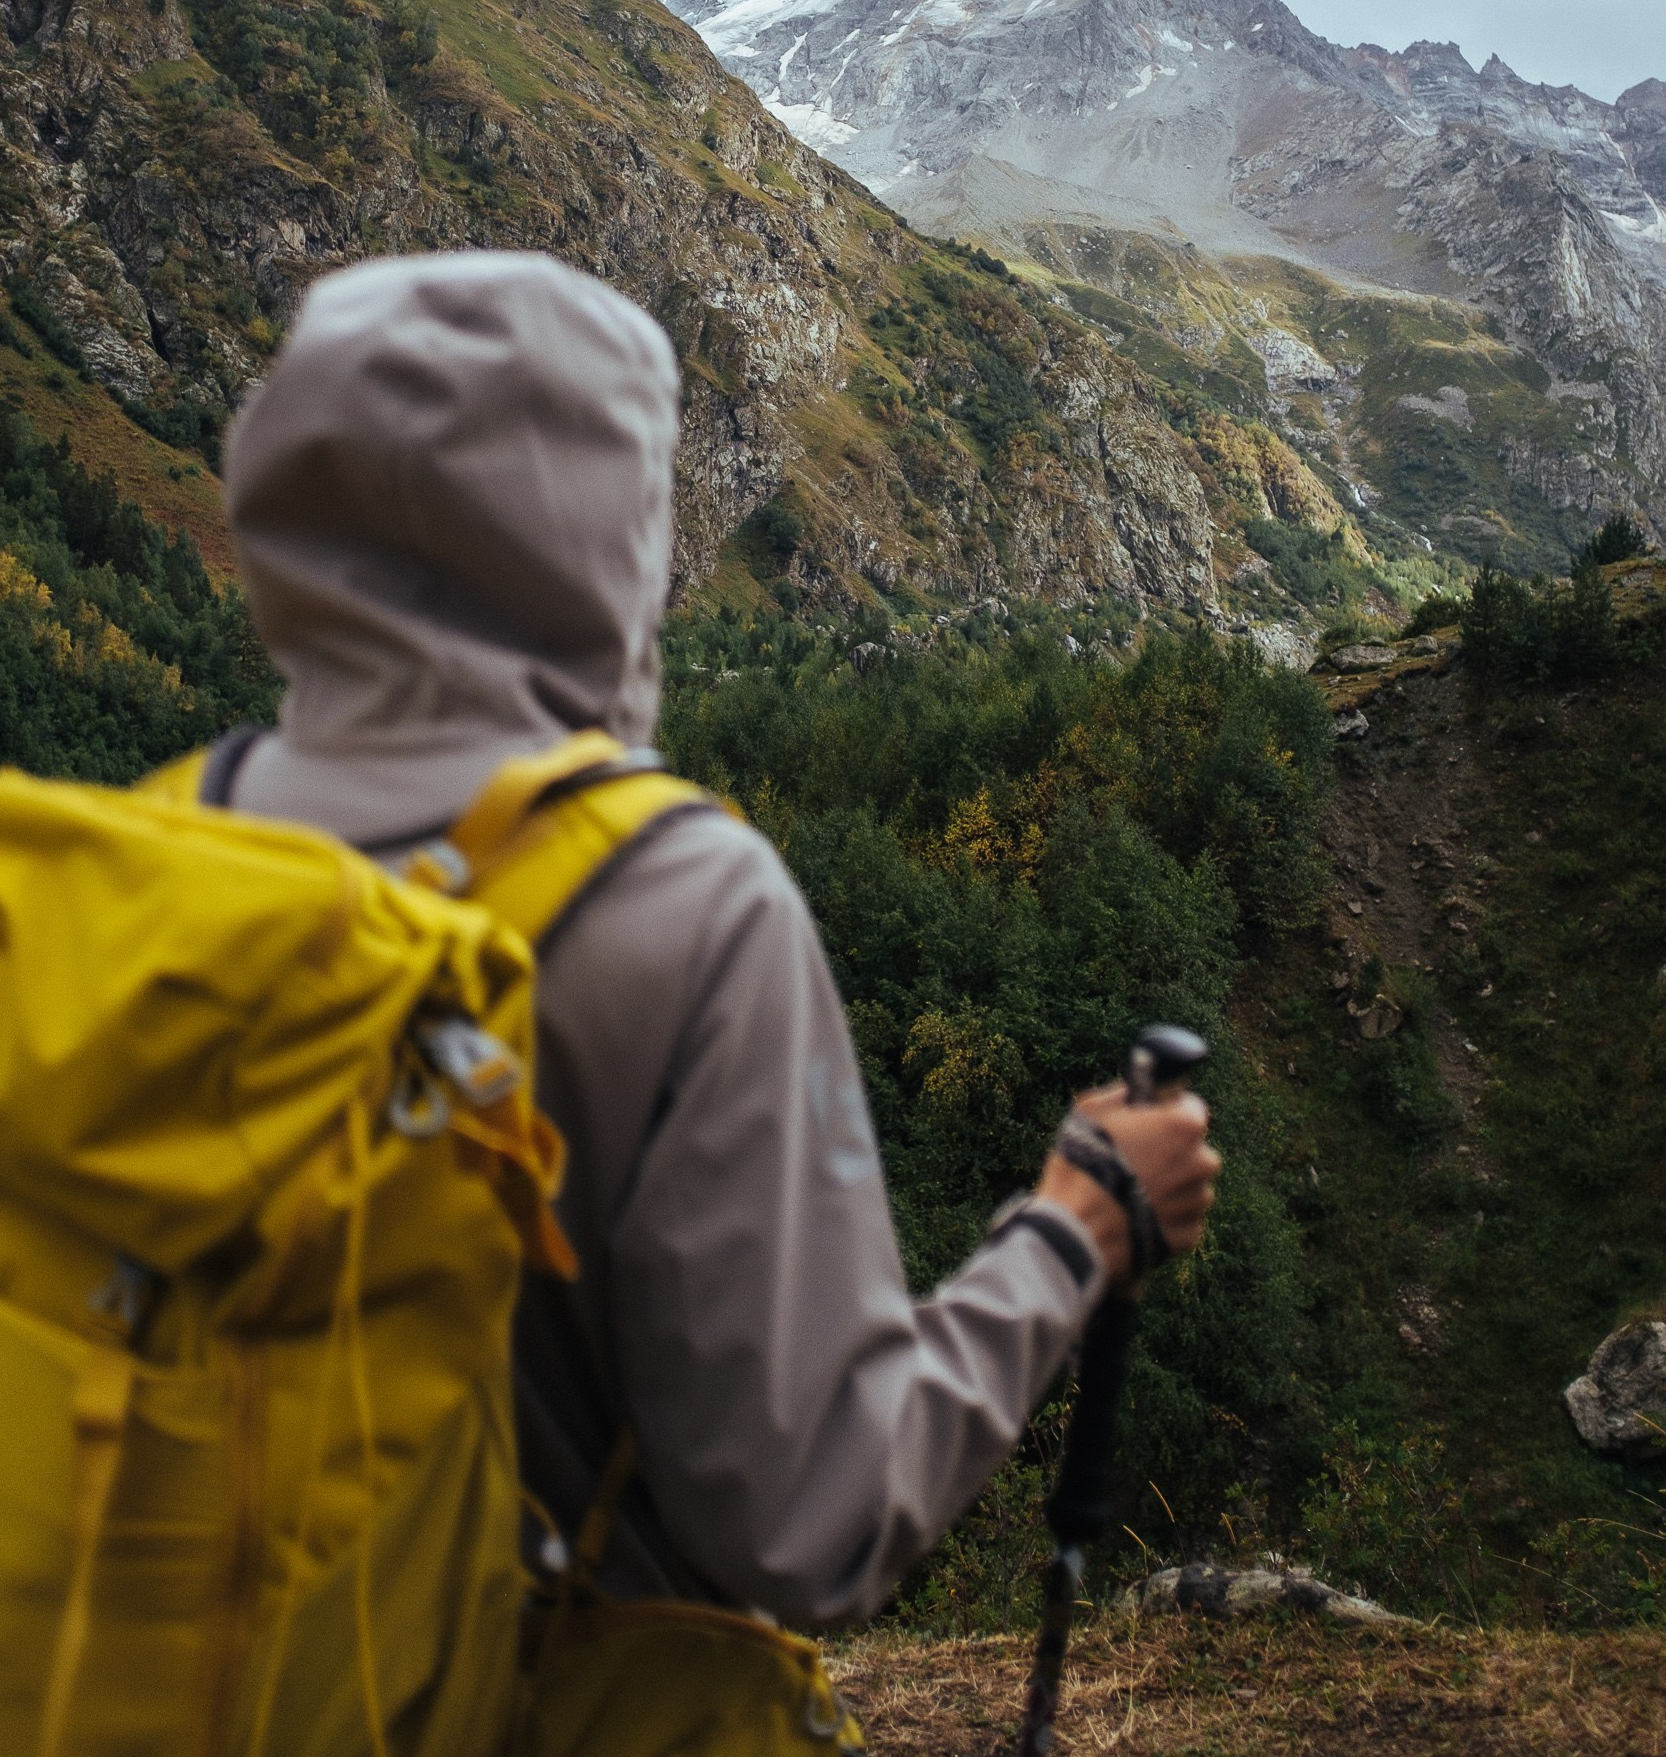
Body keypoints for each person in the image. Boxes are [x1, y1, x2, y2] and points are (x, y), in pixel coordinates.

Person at [213, 248, 1219, 1635]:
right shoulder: (679, 907)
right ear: (611, 525)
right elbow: (815, 1521)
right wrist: (1079, 1227)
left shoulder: (163, 838)